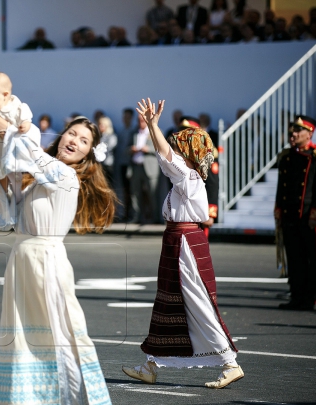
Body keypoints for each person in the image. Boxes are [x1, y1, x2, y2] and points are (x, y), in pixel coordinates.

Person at [0, 94, 116, 403]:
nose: (75, 140)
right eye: (72, 133)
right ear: (62, 137)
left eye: (84, 140)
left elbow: (24, 147)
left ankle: (74, 398)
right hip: (21, 259)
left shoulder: (66, 176)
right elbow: (4, 216)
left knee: (60, 332)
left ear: (89, 154)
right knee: (20, 336)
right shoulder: (36, 179)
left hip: (46, 260)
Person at [122, 99, 242, 389]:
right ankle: (151, 365)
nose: (174, 151)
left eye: (179, 147)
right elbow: (165, 156)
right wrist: (152, 127)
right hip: (178, 241)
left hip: (186, 244)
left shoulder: (188, 177)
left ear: (187, 153)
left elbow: (164, 155)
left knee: (198, 303)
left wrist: (153, 125)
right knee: (167, 302)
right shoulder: (185, 178)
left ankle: (231, 364)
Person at [275, 116, 316, 310]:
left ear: (309, 133)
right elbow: (281, 188)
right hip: (290, 217)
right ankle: (296, 296)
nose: (293, 134)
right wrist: (279, 210)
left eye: (298, 131)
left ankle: (309, 298)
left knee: (311, 260)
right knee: (294, 258)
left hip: (307, 217)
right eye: (292, 131)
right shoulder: (287, 157)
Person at [129, 112, 152, 224]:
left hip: (149, 167)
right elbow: (126, 148)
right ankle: (136, 217)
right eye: (138, 120)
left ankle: (154, 218)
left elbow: (161, 149)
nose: (140, 122)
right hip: (136, 166)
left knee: (151, 193)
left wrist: (148, 150)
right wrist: (131, 149)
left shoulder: (154, 132)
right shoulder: (134, 133)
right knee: (135, 193)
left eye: (142, 120)